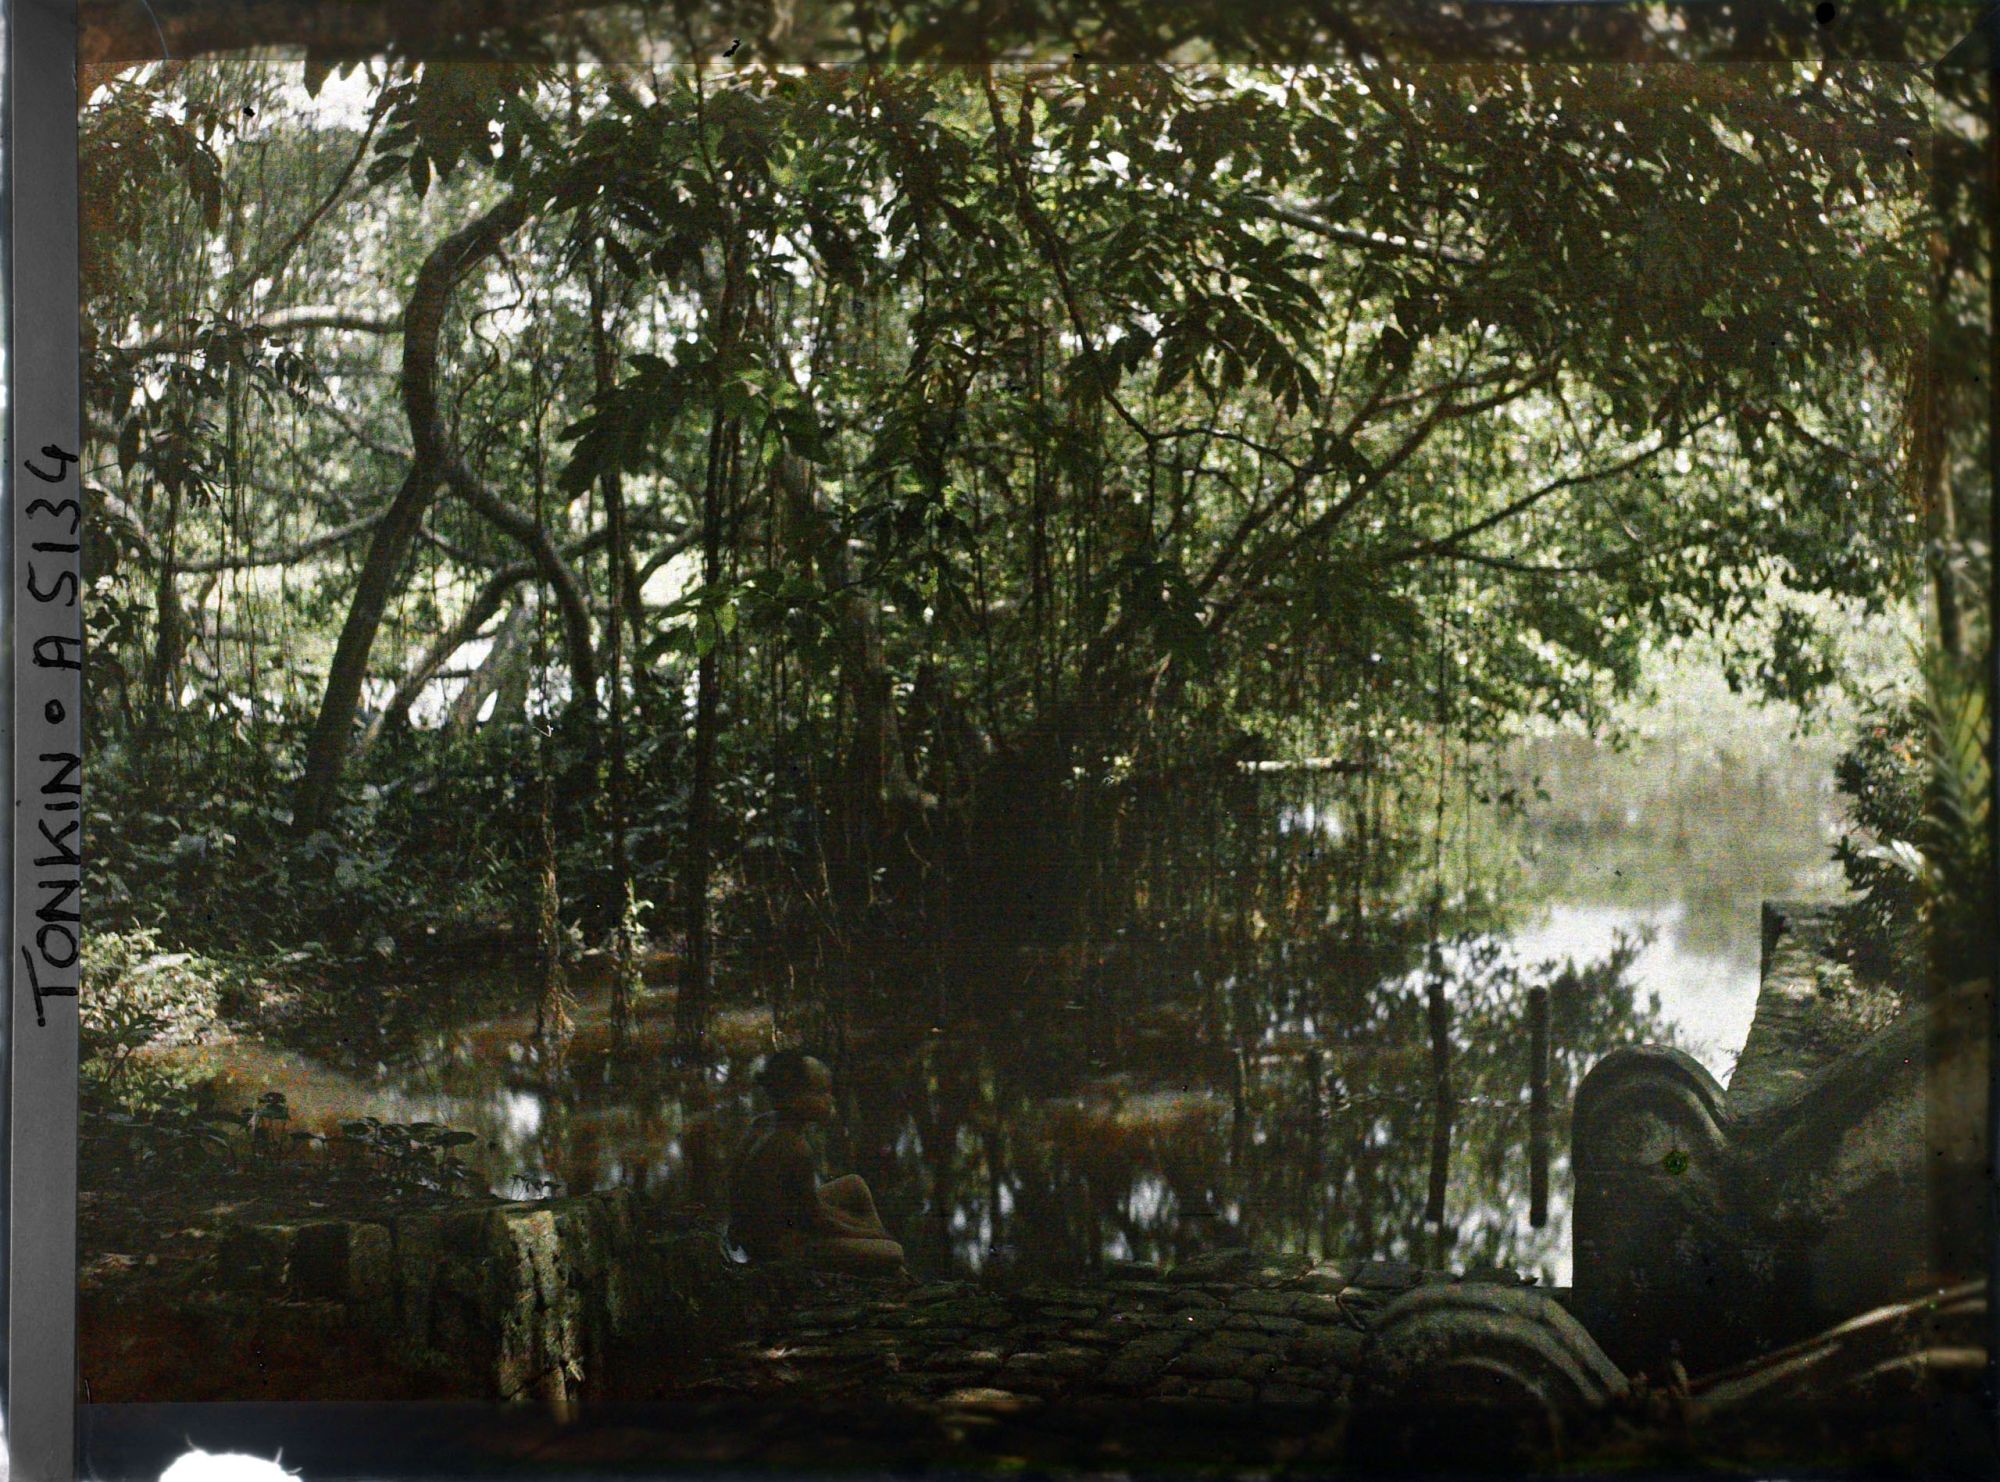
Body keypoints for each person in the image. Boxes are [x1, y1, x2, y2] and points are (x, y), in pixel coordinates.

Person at [728, 1051, 908, 1277]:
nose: (830, 1099)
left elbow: (803, 1204)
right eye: (822, 1092)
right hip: (778, 1250)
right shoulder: (795, 1147)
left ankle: (886, 1259)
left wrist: (866, 1231)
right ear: (795, 1098)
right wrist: (869, 1234)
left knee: (854, 1185)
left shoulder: (762, 1123)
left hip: (768, 1228)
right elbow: (813, 1219)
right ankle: (894, 1271)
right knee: (894, 1251)